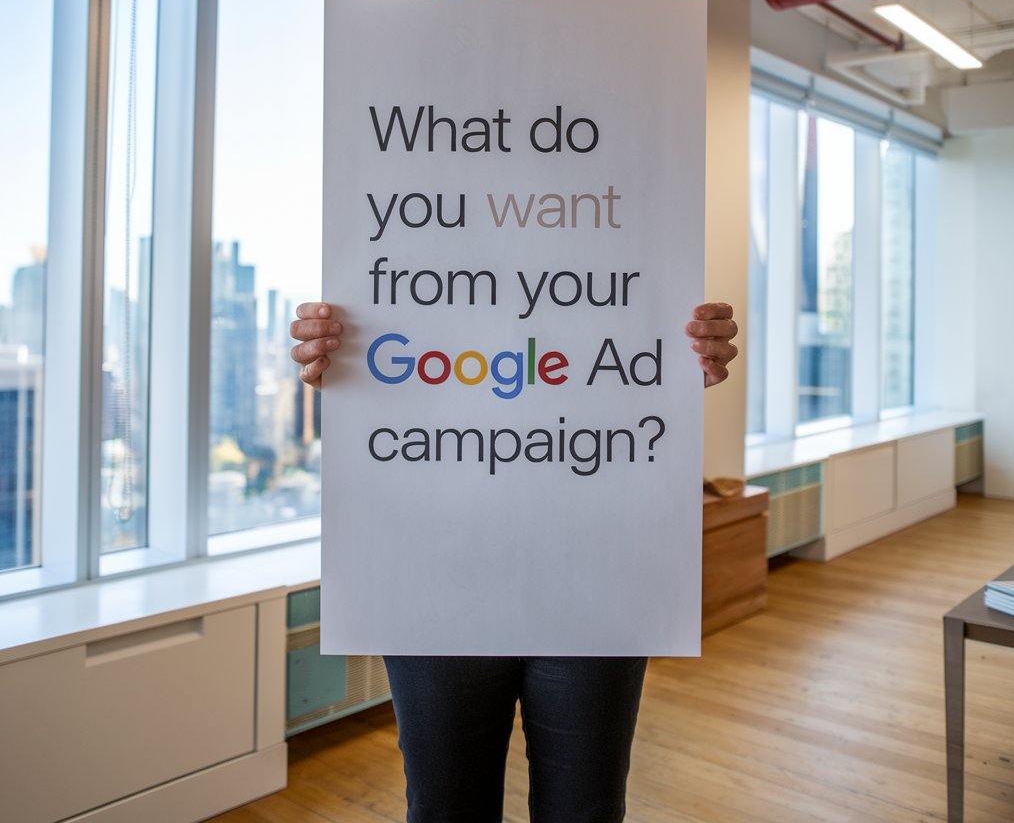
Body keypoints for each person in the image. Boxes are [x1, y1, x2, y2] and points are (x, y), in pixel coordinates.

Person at [290, 300, 738, 823]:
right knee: (447, 809)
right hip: (435, 575)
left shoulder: (615, 236)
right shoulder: (396, 254)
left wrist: (677, 363)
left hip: (593, 570)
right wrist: (343, 364)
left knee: (584, 810)